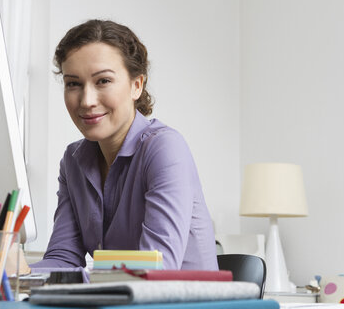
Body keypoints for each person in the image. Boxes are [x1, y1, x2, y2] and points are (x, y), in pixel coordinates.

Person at [30, 20, 217, 270]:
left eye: (103, 81)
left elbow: (155, 270)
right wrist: (19, 272)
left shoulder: (164, 149)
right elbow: (62, 259)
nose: (86, 100)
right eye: (73, 83)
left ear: (136, 85)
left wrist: (66, 281)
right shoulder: (73, 160)